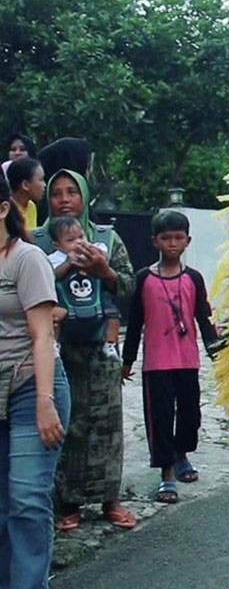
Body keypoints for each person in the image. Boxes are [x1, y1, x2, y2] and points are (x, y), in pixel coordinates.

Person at [33, 169, 136, 532]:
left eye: (72, 192)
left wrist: (103, 269)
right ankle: (68, 503)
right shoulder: (36, 242)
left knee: (108, 425)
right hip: (57, 351)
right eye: (57, 192)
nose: (64, 199)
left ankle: (111, 499)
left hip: (100, 347)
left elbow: (127, 286)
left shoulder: (107, 238)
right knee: (67, 424)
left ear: (84, 196)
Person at [0, 172, 69, 588]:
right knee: (2, 506)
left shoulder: (26, 258)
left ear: (4, 208)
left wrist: (45, 401)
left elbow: (43, 333)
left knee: (26, 501)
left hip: (32, 387)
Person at [122, 210, 217, 504]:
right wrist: (127, 361)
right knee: (160, 419)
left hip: (188, 360)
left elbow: (203, 318)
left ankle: (182, 454)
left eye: (178, 238)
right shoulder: (144, 279)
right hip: (156, 364)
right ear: (155, 241)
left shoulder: (194, 279)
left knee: (191, 414)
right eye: (166, 238)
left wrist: (217, 353)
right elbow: (135, 322)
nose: (172, 243)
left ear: (188, 241)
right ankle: (166, 475)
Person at [45, 216, 121, 358]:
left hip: (95, 293)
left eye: (81, 237)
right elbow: (52, 276)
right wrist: (68, 263)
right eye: (70, 240)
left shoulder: (94, 247)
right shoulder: (55, 258)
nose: (79, 242)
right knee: (55, 317)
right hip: (67, 297)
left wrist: (93, 253)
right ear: (57, 245)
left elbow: (104, 255)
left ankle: (110, 344)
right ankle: (54, 343)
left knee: (112, 313)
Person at [6, 158, 45, 232]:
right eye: (41, 179)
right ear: (25, 185)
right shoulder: (7, 211)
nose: (44, 185)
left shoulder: (31, 206)